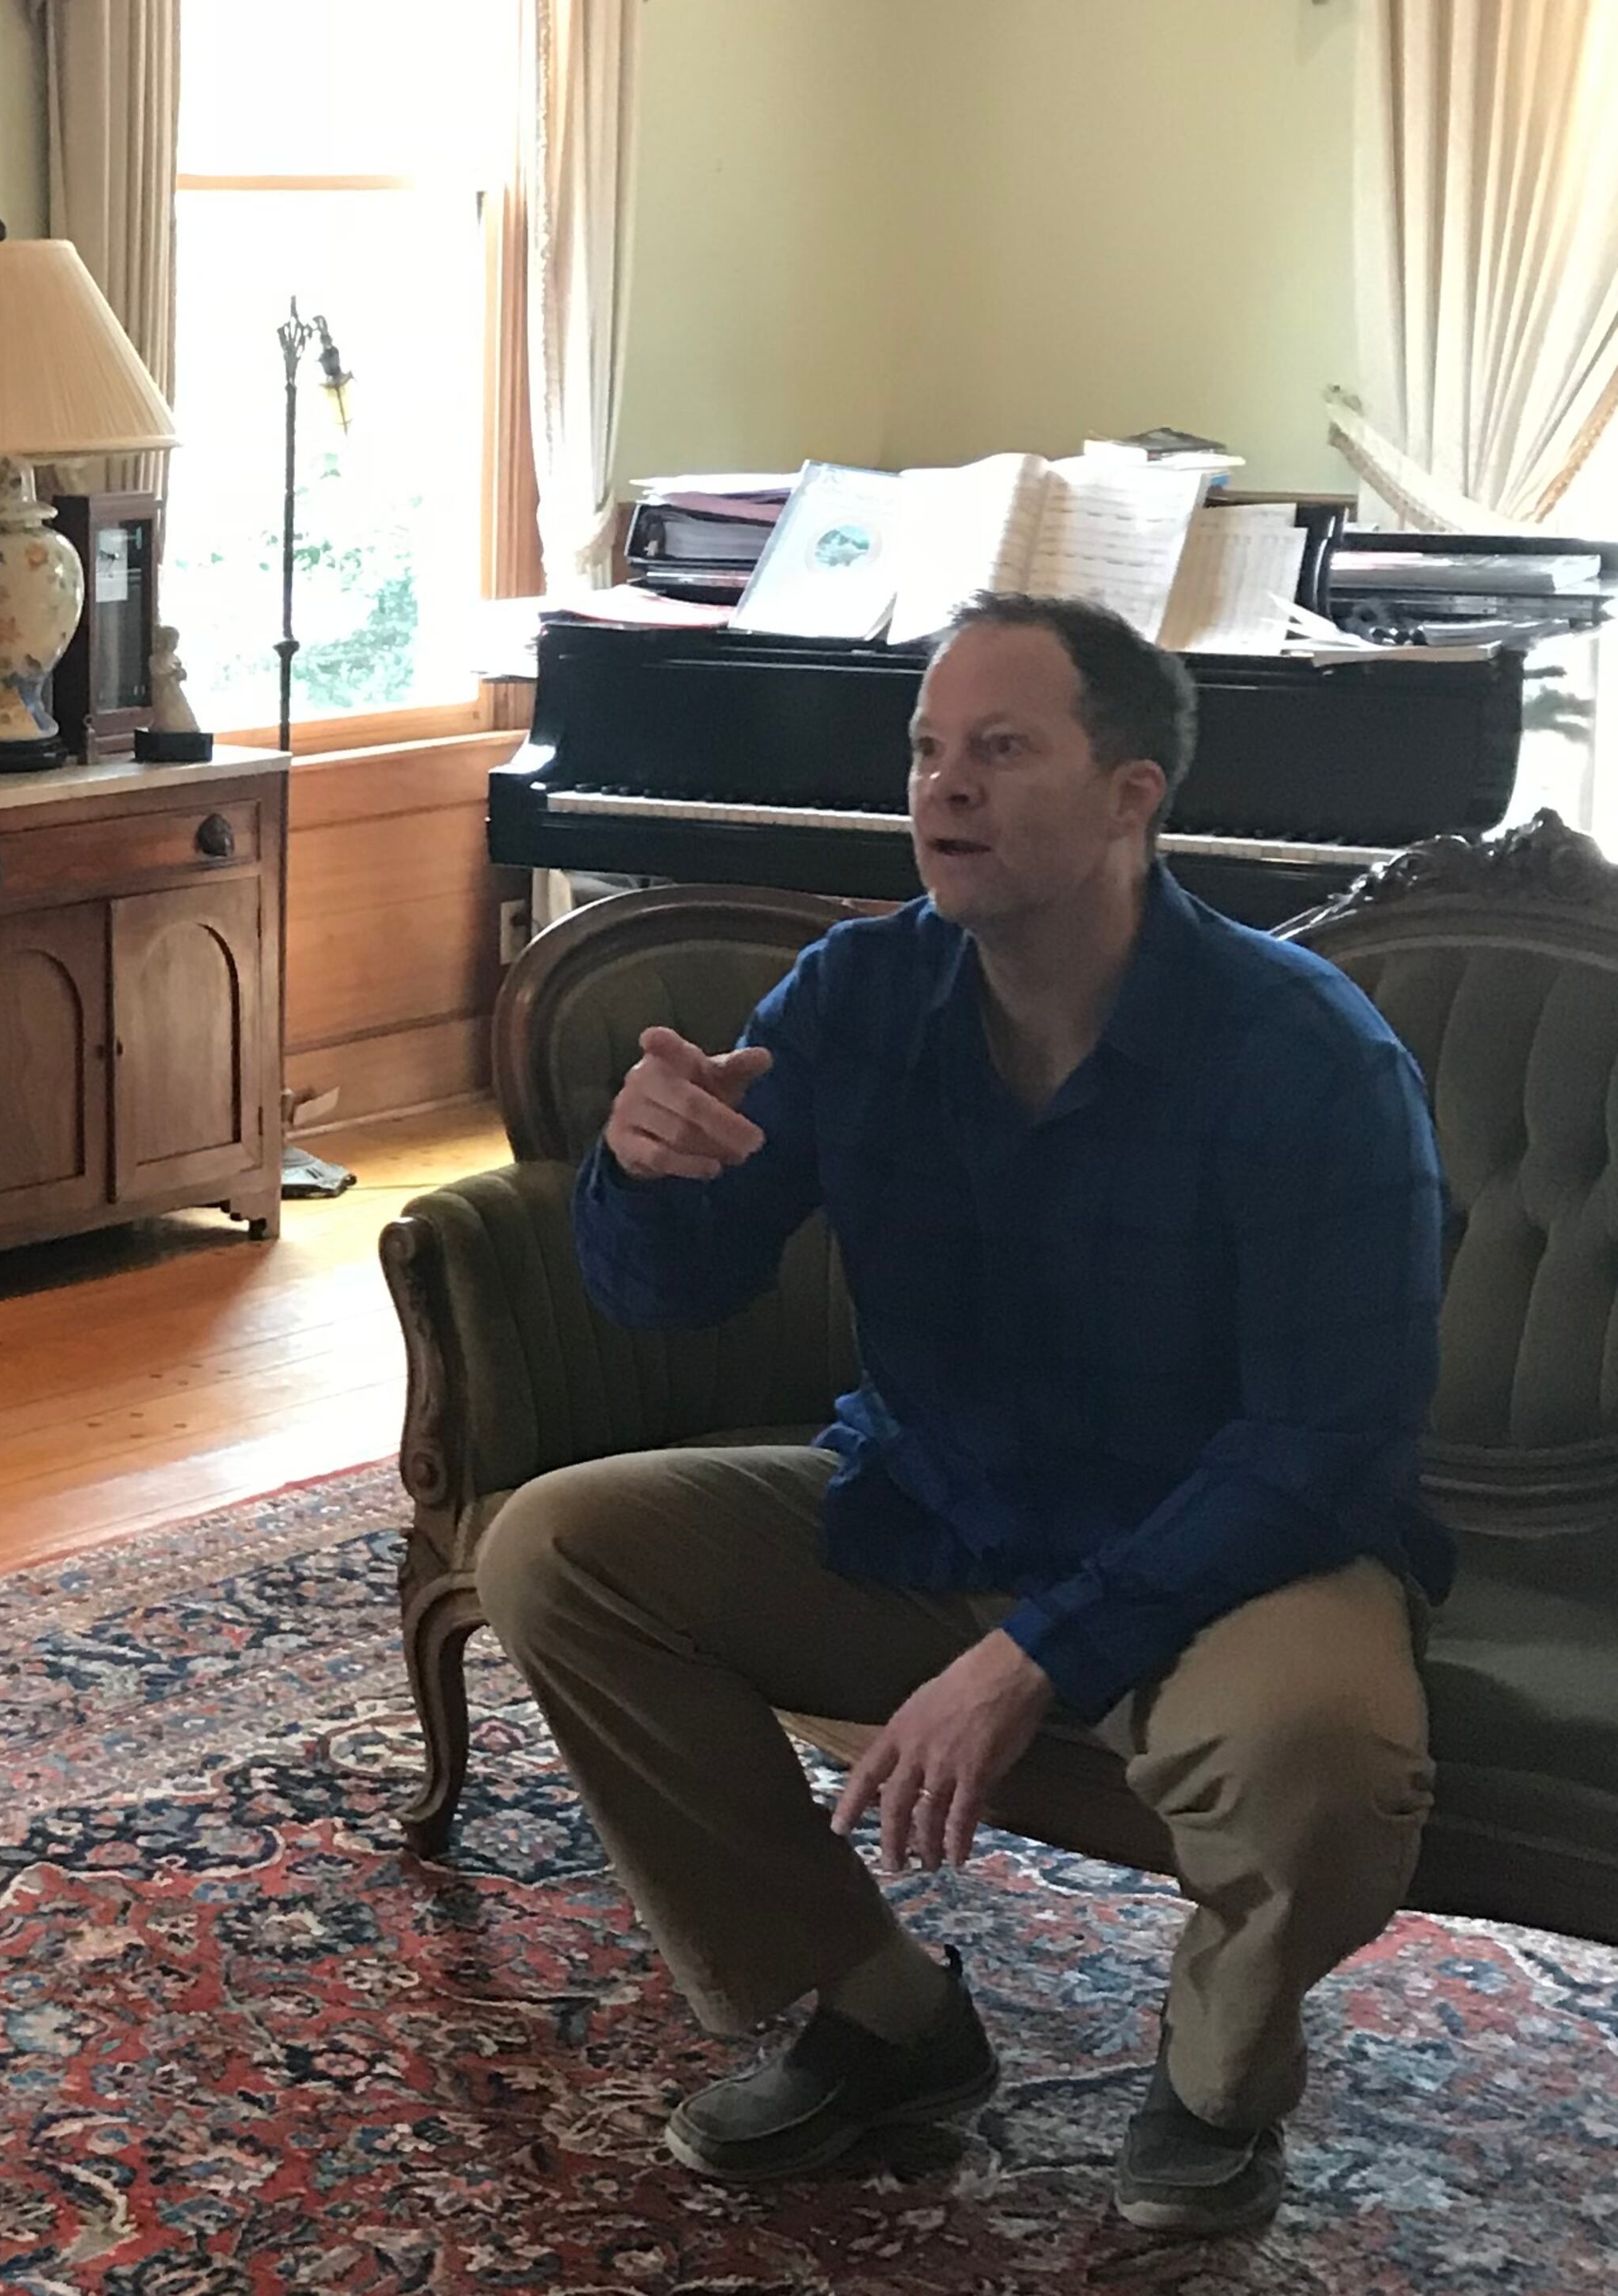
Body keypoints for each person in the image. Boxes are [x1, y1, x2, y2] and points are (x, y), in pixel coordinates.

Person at [474, 591, 1447, 2239]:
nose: (941, 789)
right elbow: (672, 1292)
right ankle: (884, 2022)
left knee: (1327, 1756)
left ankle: (1216, 2085)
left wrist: (1031, 1662)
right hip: (937, 1509)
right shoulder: (854, 998)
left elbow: (1318, 1450)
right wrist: (644, 1175)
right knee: (559, 1552)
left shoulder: (1309, 1062)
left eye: (1002, 749)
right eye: (928, 748)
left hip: (1226, 1554)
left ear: (1136, 792)